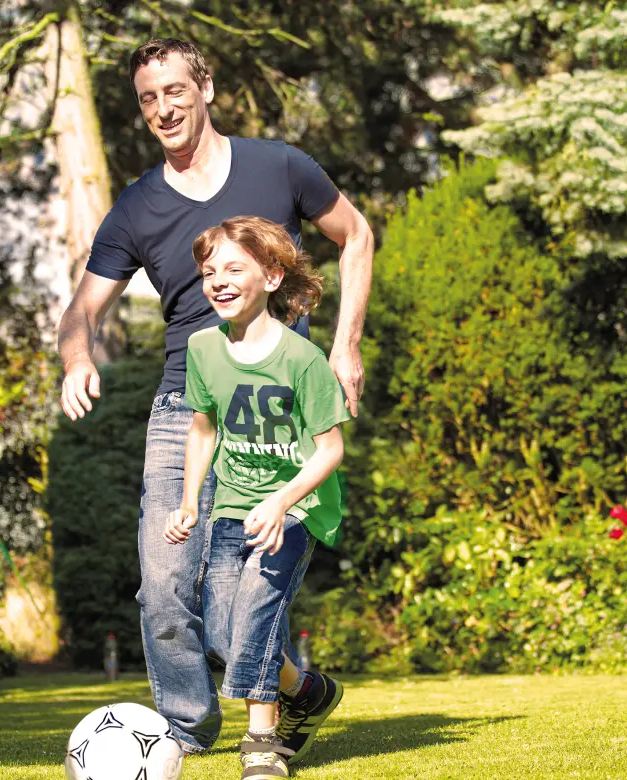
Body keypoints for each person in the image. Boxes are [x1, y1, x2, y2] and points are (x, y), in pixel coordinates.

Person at [56, 37, 373, 757]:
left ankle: (290, 692)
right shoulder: (137, 207)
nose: (163, 108)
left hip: (270, 416)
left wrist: (344, 344)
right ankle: (187, 735)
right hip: (184, 410)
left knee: (240, 610)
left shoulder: (279, 165)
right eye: (147, 98)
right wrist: (77, 359)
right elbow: (81, 313)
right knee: (164, 588)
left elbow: (355, 235)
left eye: (174, 90)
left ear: (204, 88)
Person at [165, 216, 349, 779]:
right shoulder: (202, 349)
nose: (217, 280)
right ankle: (310, 692)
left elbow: (330, 450)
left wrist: (281, 502)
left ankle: (262, 741)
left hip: (295, 510)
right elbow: (203, 429)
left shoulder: (302, 359)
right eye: (208, 271)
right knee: (221, 633)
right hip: (230, 508)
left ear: (271, 277)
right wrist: (191, 498)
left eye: (232, 268)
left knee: (255, 615)